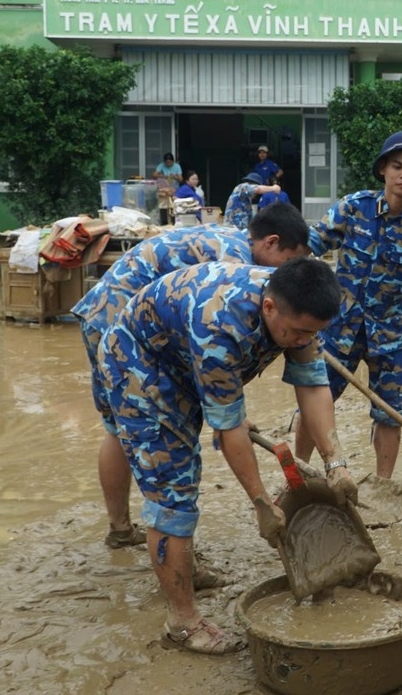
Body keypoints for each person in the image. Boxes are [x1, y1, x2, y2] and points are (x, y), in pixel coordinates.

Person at [97, 257, 357, 655]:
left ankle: (184, 570)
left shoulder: (296, 312)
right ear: (269, 307)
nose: (304, 340)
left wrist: (335, 463)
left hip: (186, 359)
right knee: (173, 495)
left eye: (313, 334)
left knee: (188, 473)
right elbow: (230, 431)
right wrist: (261, 503)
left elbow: (312, 384)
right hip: (141, 365)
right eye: (298, 332)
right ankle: (182, 623)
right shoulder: (219, 326)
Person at [71, 203, 313, 553]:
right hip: (118, 323)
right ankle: (132, 528)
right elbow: (213, 344)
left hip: (123, 315)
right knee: (132, 427)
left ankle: (121, 530)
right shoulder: (234, 266)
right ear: (271, 243)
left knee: (117, 428)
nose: (286, 273)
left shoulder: (238, 243)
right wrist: (228, 418)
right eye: (288, 261)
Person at [295, 130, 402, 478]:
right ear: (383, 169)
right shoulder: (354, 208)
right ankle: (301, 475)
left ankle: (382, 486)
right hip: (337, 329)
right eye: (397, 166)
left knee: (389, 412)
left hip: (390, 336)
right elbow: (308, 245)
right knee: (315, 400)